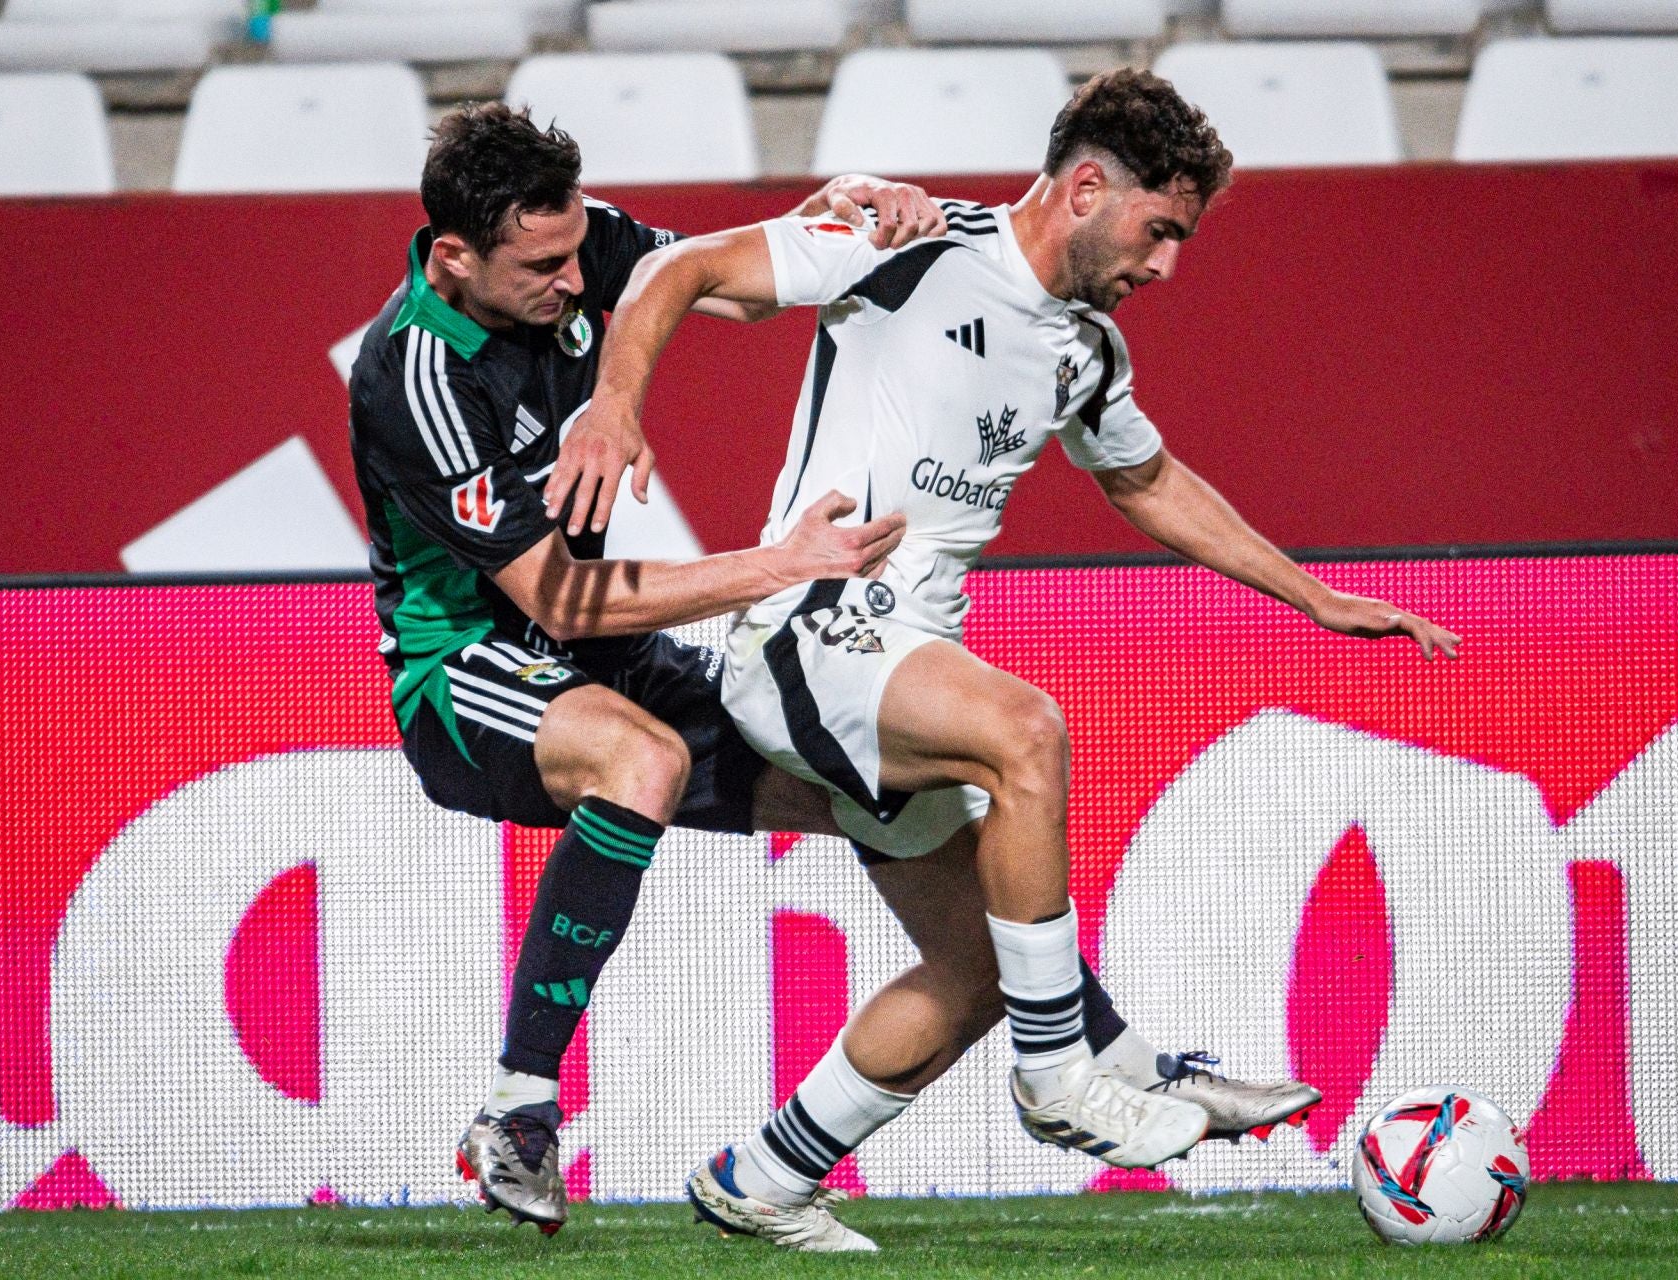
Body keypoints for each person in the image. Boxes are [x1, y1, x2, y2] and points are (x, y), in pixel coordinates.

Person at [572, 68, 1463, 1251]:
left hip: (897, 659)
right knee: (1026, 732)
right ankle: (1067, 1074)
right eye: (1161, 230)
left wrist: (1312, 595)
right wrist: (613, 404)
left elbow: (1143, 478)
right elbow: (677, 271)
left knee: (978, 964)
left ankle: (767, 1175)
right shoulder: (902, 240)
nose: (1167, 266)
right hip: (803, 629)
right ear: (1087, 188)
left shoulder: (1084, 351)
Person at [346, 100, 945, 1235]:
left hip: (596, 651)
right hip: (463, 671)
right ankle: (521, 1106)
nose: (576, 284)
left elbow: (715, 277)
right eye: (544, 266)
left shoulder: (571, 246)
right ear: (455, 255)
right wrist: (778, 565)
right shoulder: (410, 377)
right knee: (644, 756)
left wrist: (842, 213)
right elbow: (553, 596)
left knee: (874, 775)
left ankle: (816, 1152)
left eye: (580, 253)